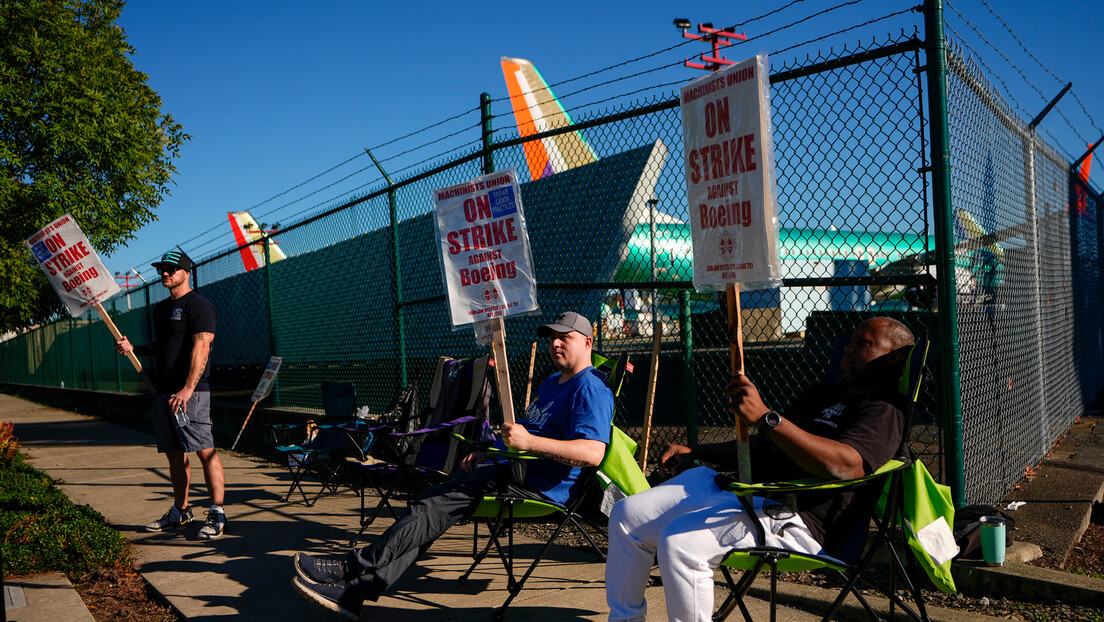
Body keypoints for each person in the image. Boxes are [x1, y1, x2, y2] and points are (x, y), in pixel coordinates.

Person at [292, 311, 614, 620]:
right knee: (430, 512)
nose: (555, 344)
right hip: (506, 470)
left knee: (429, 507)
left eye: (565, 338)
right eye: (552, 338)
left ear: (587, 342)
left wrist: (528, 444)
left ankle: (350, 569)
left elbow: (591, 453)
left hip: (535, 485)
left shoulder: (590, 389)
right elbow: (522, 434)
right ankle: (353, 594)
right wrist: (489, 452)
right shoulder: (551, 384)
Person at [605, 317, 915, 622]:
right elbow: (767, 445)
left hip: (796, 517)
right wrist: (698, 451)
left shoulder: (884, 412)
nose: (848, 348)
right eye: (850, 340)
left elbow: (845, 464)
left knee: (679, 543)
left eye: (863, 343)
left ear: (894, 358)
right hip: (748, 492)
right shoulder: (822, 395)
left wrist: (768, 418)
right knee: (627, 515)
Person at [115, 250, 226, 539]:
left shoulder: (199, 306)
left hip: (191, 393)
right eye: (162, 269)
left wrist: (188, 389)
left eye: (171, 269)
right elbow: (164, 346)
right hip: (164, 394)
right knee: (174, 455)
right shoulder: (161, 309)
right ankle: (181, 510)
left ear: (186, 272)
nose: (165, 273)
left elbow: (202, 348)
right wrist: (134, 348)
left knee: (205, 451)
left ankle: (217, 513)